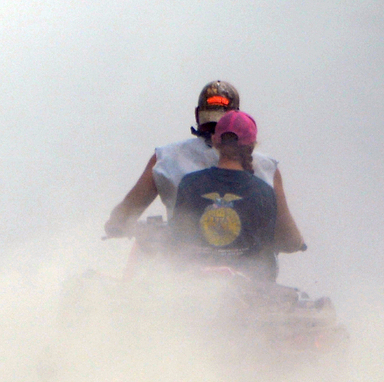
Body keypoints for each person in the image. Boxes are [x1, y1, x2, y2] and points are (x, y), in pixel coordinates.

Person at [104, 81, 282, 237]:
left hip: (186, 262)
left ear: (198, 115)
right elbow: (287, 236)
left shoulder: (166, 158)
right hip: (249, 266)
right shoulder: (267, 166)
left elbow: (124, 215)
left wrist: (118, 225)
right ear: (237, 118)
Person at [169, 111, 305, 281]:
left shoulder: (189, 183)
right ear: (252, 146)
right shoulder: (264, 191)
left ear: (215, 141)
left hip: (196, 286)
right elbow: (276, 244)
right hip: (247, 293)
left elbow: (175, 241)